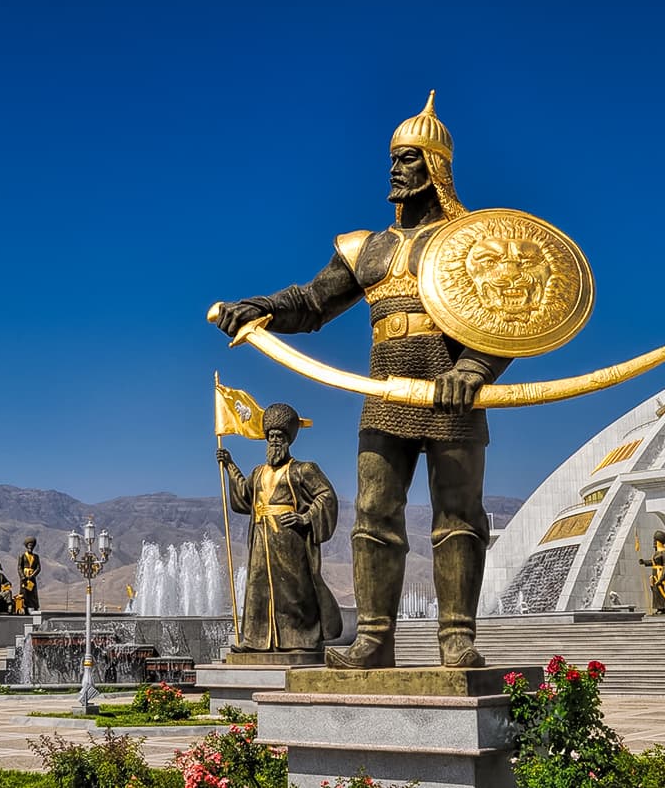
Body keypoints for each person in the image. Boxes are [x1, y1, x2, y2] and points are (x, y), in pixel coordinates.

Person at [213, 92, 511, 669]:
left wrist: (473, 368)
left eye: (407, 158)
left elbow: (506, 318)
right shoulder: (366, 248)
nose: (394, 168)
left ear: (436, 167)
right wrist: (261, 308)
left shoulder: (471, 242)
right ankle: (374, 639)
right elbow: (312, 302)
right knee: (374, 513)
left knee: (458, 516)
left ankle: (456, 638)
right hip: (385, 396)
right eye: (392, 158)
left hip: (452, 395)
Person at [217, 403, 342, 652]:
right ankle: (255, 641)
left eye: (279, 436)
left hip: (289, 538)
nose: (274, 441)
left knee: (294, 590)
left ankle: (301, 640)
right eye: (271, 436)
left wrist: (305, 518)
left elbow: (326, 495)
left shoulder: (303, 469)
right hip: (261, 537)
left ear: (288, 440)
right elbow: (244, 497)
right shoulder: (258, 472)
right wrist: (230, 466)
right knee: (258, 589)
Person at [639, 531, 665, 615]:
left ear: (659, 542)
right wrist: (644, 562)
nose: (654, 542)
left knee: (661, 591)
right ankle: (658, 608)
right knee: (655, 591)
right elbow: (654, 562)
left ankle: (662, 608)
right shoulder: (657, 552)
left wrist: (661, 578)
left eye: (655, 540)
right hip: (655, 574)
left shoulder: (664, 552)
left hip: (660, 574)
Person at [18, 536, 41, 612]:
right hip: (24, 578)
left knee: (33, 593)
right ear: (27, 546)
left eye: (32, 546)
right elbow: (19, 567)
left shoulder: (36, 557)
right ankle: (24, 608)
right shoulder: (22, 556)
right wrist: (22, 576)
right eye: (29, 545)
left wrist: (33, 575)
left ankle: (35, 608)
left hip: (32, 578)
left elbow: (38, 568)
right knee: (24, 593)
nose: (30, 547)